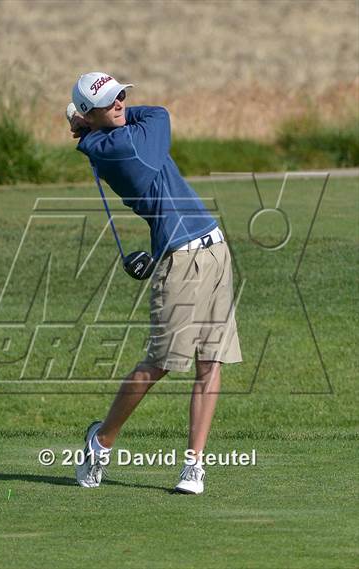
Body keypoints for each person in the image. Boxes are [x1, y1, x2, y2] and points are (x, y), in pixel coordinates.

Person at [68, 72, 242, 494]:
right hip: (179, 258)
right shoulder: (117, 146)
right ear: (91, 117)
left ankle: (194, 467)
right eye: (109, 100)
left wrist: (88, 117)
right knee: (159, 364)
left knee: (210, 362)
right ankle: (101, 440)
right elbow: (160, 114)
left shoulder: (107, 134)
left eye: (121, 95)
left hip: (215, 247)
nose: (121, 103)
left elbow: (132, 116)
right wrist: (89, 122)